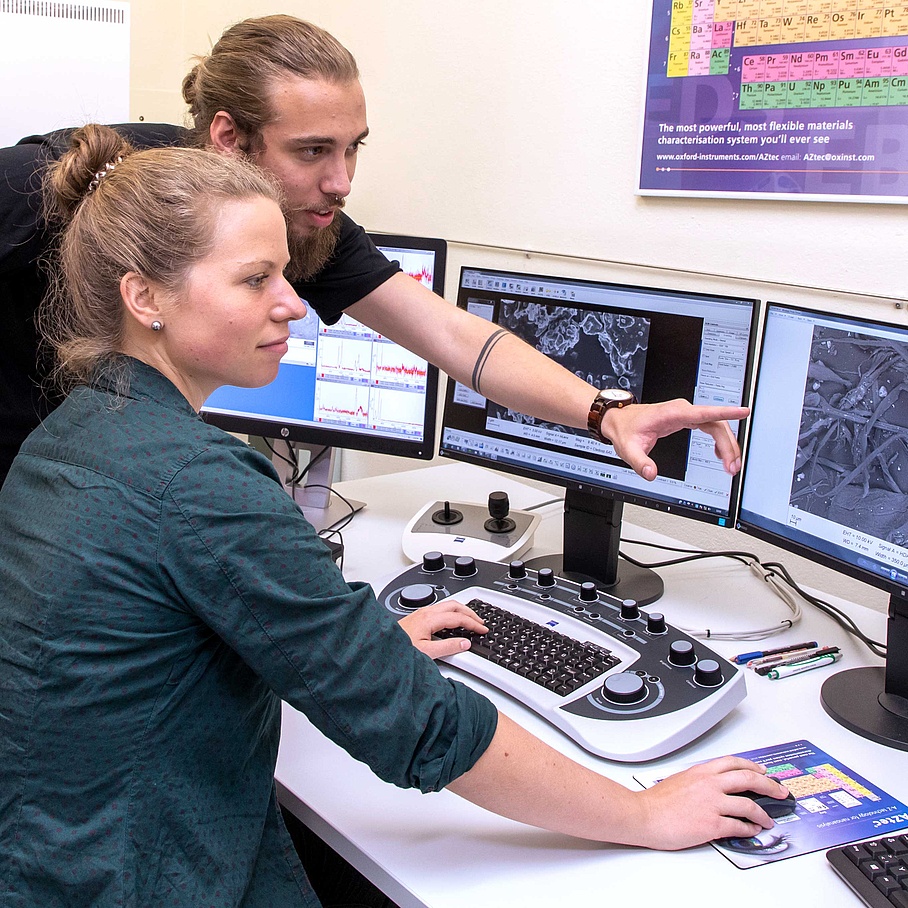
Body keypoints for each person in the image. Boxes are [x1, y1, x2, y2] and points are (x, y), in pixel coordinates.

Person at [0, 125, 786, 907]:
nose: (293, 305)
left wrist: (348, 644)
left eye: (286, 273)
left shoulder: (68, 437)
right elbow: (421, 725)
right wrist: (644, 811)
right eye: (255, 280)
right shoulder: (198, 483)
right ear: (144, 297)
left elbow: (145, 659)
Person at [0, 14, 748, 490]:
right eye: (313, 150)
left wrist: (604, 411)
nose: (342, 181)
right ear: (229, 138)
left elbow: (454, 337)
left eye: (353, 148)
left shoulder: (300, 221)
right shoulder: (55, 187)